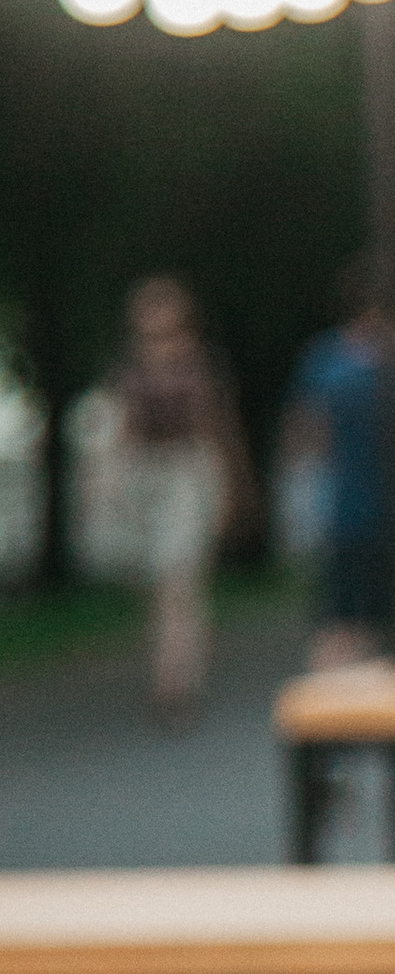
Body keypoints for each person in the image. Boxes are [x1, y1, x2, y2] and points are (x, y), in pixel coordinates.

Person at [101, 276, 253, 725]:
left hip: (187, 473)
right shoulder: (129, 365)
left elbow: (215, 426)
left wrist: (231, 486)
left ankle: (175, 682)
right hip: (144, 474)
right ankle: (172, 666)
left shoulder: (196, 363)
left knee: (178, 580)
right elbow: (121, 427)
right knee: (161, 585)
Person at [280, 262, 395, 666]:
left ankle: (331, 722)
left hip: (347, 513)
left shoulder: (327, 363)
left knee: (341, 628)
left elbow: (306, 437)